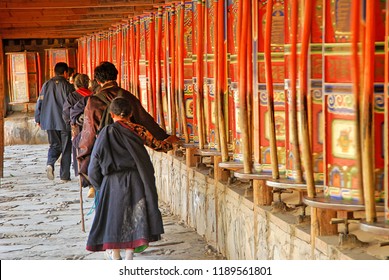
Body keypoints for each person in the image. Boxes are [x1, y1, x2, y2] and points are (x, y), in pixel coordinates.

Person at [86, 97, 173, 260]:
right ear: (131, 113)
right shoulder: (138, 130)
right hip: (136, 179)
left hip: (112, 181)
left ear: (112, 115)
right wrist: (172, 142)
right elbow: (158, 145)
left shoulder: (106, 132)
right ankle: (129, 255)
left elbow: (94, 163)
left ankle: (116, 255)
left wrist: (99, 185)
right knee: (135, 214)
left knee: (115, 216)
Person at [77, 61, 179, 194]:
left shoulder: (93, 101)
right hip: (130, 156)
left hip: (105, 156)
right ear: (116, 76)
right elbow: (146, 121)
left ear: (97, 80)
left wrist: (84, 163)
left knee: (104, 197)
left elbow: (88, 134)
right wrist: (165, 137)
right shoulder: (128, 97)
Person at [35, 62, 74, 182]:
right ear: (66, 73)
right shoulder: (68, 86)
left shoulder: (46, 84)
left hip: (49, 121)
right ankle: (64, 176)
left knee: (54, 145)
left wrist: (38, 118)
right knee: (66, 147)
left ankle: (50, 163)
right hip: (64, 122)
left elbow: (39, 102)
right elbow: (72, 105)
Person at [62, 74, 93, 188]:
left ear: (76, 84)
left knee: (79, 149)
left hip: (79, 128)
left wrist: (72, 122)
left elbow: (66, 113)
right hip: (93, 127)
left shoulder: (72, 96)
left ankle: (81, 173)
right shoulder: (94, 95)